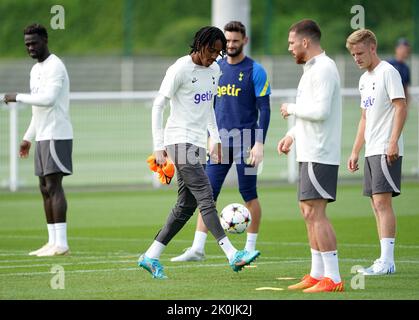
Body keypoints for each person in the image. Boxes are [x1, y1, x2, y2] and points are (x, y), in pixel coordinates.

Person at [138, 26, 260, 279]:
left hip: (196, 143)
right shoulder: (180, 69)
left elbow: (209, 108)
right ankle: (232, 254)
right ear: (199, 44)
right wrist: (159, 146)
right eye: (211, 50)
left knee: (186, 205)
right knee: (206, 195)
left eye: (218, 52)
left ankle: (150, 256)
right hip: (178, 141)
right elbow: (158, 105)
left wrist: (214, 139)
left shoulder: (215, 70)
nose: (214, 56)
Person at [171, 21, 271, 262]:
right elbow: (208, 107)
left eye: (236, 40)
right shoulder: (214, 68)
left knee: (249, 192)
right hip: (220, 143)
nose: (231, 45)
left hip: (246, 140)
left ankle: (249, 246)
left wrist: (259, 143)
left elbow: (265, 109)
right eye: (228, 41)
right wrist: (210, 138)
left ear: (245, 41)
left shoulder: (255, 70)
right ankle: (197, 248)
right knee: (207, 194)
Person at [277, 19, 344, 292]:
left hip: (320, 151)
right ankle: (317, 274)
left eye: (292, 42)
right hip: (308, 149)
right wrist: (292, 134)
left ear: (306, 42)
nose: (290, 48)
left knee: (316, 212)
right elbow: (310, 111)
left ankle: (334, 278)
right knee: (307, 211)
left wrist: (291, 108)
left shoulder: (325, 68)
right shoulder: (310, 70)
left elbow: (321, 112)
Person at [3, 24, 73, 257]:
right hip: (43, 135)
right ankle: (52, 242)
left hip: (57, 134)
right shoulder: (35, 70)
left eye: (34, 42)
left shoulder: (55, 66)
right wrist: (27, 138)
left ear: (44, 40)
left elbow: (49, 100)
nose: (30, 47)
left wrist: (16, 97)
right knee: (44, 187)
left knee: (54, 186)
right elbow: (38, 108)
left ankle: (61, 243)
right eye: (27, 44)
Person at [346, 29, 407, 276]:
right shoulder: (363, 79)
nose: (356, 58)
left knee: (382, 202)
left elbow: (400, 107)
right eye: (352, 54)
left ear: (372, 48)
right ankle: (384, 258)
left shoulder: (388, 72)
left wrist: (393, 142)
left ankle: (387, 261)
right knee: (375, 204)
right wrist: (355, 151)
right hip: (372, 149)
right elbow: (364, 118)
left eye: (360, 53)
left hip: (385, 148)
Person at [387, 38, 410, 104]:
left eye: (406, 50)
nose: (405, 52)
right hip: (388, 101)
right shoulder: (389, 64)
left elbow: (405, 88)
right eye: (402, 49)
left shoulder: (406, 68)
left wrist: (406, 104)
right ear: (397, 49)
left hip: (399, 102)